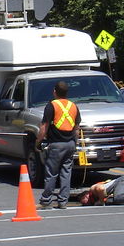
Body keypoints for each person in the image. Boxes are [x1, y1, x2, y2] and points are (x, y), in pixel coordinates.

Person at [36, 80, 81, 209]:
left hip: (56, 143)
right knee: (66, 173)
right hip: (70, 143)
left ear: (54, 91)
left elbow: (44, 126)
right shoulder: (73, 106)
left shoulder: (51, 105)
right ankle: (62, 201)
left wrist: (38, 142)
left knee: (51, 173)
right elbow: (77, 128)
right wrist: (75, 143)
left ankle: (46, 200)